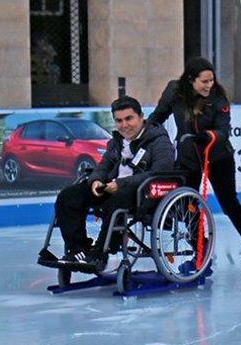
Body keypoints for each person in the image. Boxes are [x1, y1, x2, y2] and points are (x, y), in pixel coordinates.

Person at [53, 96, 175, 268]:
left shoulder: (159, 141)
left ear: (141, 117)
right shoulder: (116, 142)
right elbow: (103, 166)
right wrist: (96, 180)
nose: (124, 125)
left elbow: (161, 173)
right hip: (111, 188)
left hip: (143, 193)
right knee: (69, 196)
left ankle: (100, 253)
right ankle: (77, 249)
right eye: (119, 120)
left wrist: (121, 184)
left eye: (129, 118)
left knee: (117, 201)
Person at [149, 57, 241, 242]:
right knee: (187, 204)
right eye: (204, 81)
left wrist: (208, 135)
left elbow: (223, 130)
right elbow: (158, 116)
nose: (209, 85)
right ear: (190, 80)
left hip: (218, 156)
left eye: (211, 80)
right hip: (189, 157)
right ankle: (199, 249)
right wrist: (144, 133)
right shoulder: (174, 91)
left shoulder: (218, 96)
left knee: (229, 204)